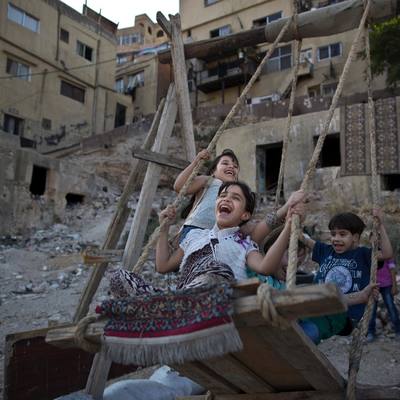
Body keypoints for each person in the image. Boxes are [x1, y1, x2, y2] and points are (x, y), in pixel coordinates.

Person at [109, 181, 304, 298]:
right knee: (119, 278)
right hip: (185, 295)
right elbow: (163, 265)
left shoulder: (244, 242)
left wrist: (287, 225)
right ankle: (170, 306)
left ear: (245, 215)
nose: (226, 199)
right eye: (223, 195)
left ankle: (170, 307)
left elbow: (265, 267)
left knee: (215, 270)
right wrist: (164, 229)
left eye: (235, 198)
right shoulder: (195, 236)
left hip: (219, 297)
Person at [174, 148, 304, 244]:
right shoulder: (209, 181)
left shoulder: (237, 197)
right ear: (213, 171)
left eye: (235, 166)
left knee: (251, 229)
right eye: (225, 163)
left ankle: (282, 222)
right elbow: (180, 187)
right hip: (194, 231)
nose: (231, 166)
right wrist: (197, 161)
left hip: (219, 238)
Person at [302, 210, 393, 331]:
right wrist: (293, 220)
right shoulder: (326, 250)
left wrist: (380, 225)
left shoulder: (363, 254)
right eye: (333, 234)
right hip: (320, 308)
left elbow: (387, 254)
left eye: (342, 234)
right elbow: (305, 240)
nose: (336, 238)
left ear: (355, 237)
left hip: (346, 315)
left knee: (309, 329)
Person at [367, 258, 400, 342]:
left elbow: (392, 269)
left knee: (391, 306)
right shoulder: (370, 252)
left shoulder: (387, 253)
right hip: (374, 285)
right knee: (372, 309)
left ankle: (398, 331)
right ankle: (370, 332)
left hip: (387, 284)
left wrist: (394, 285)